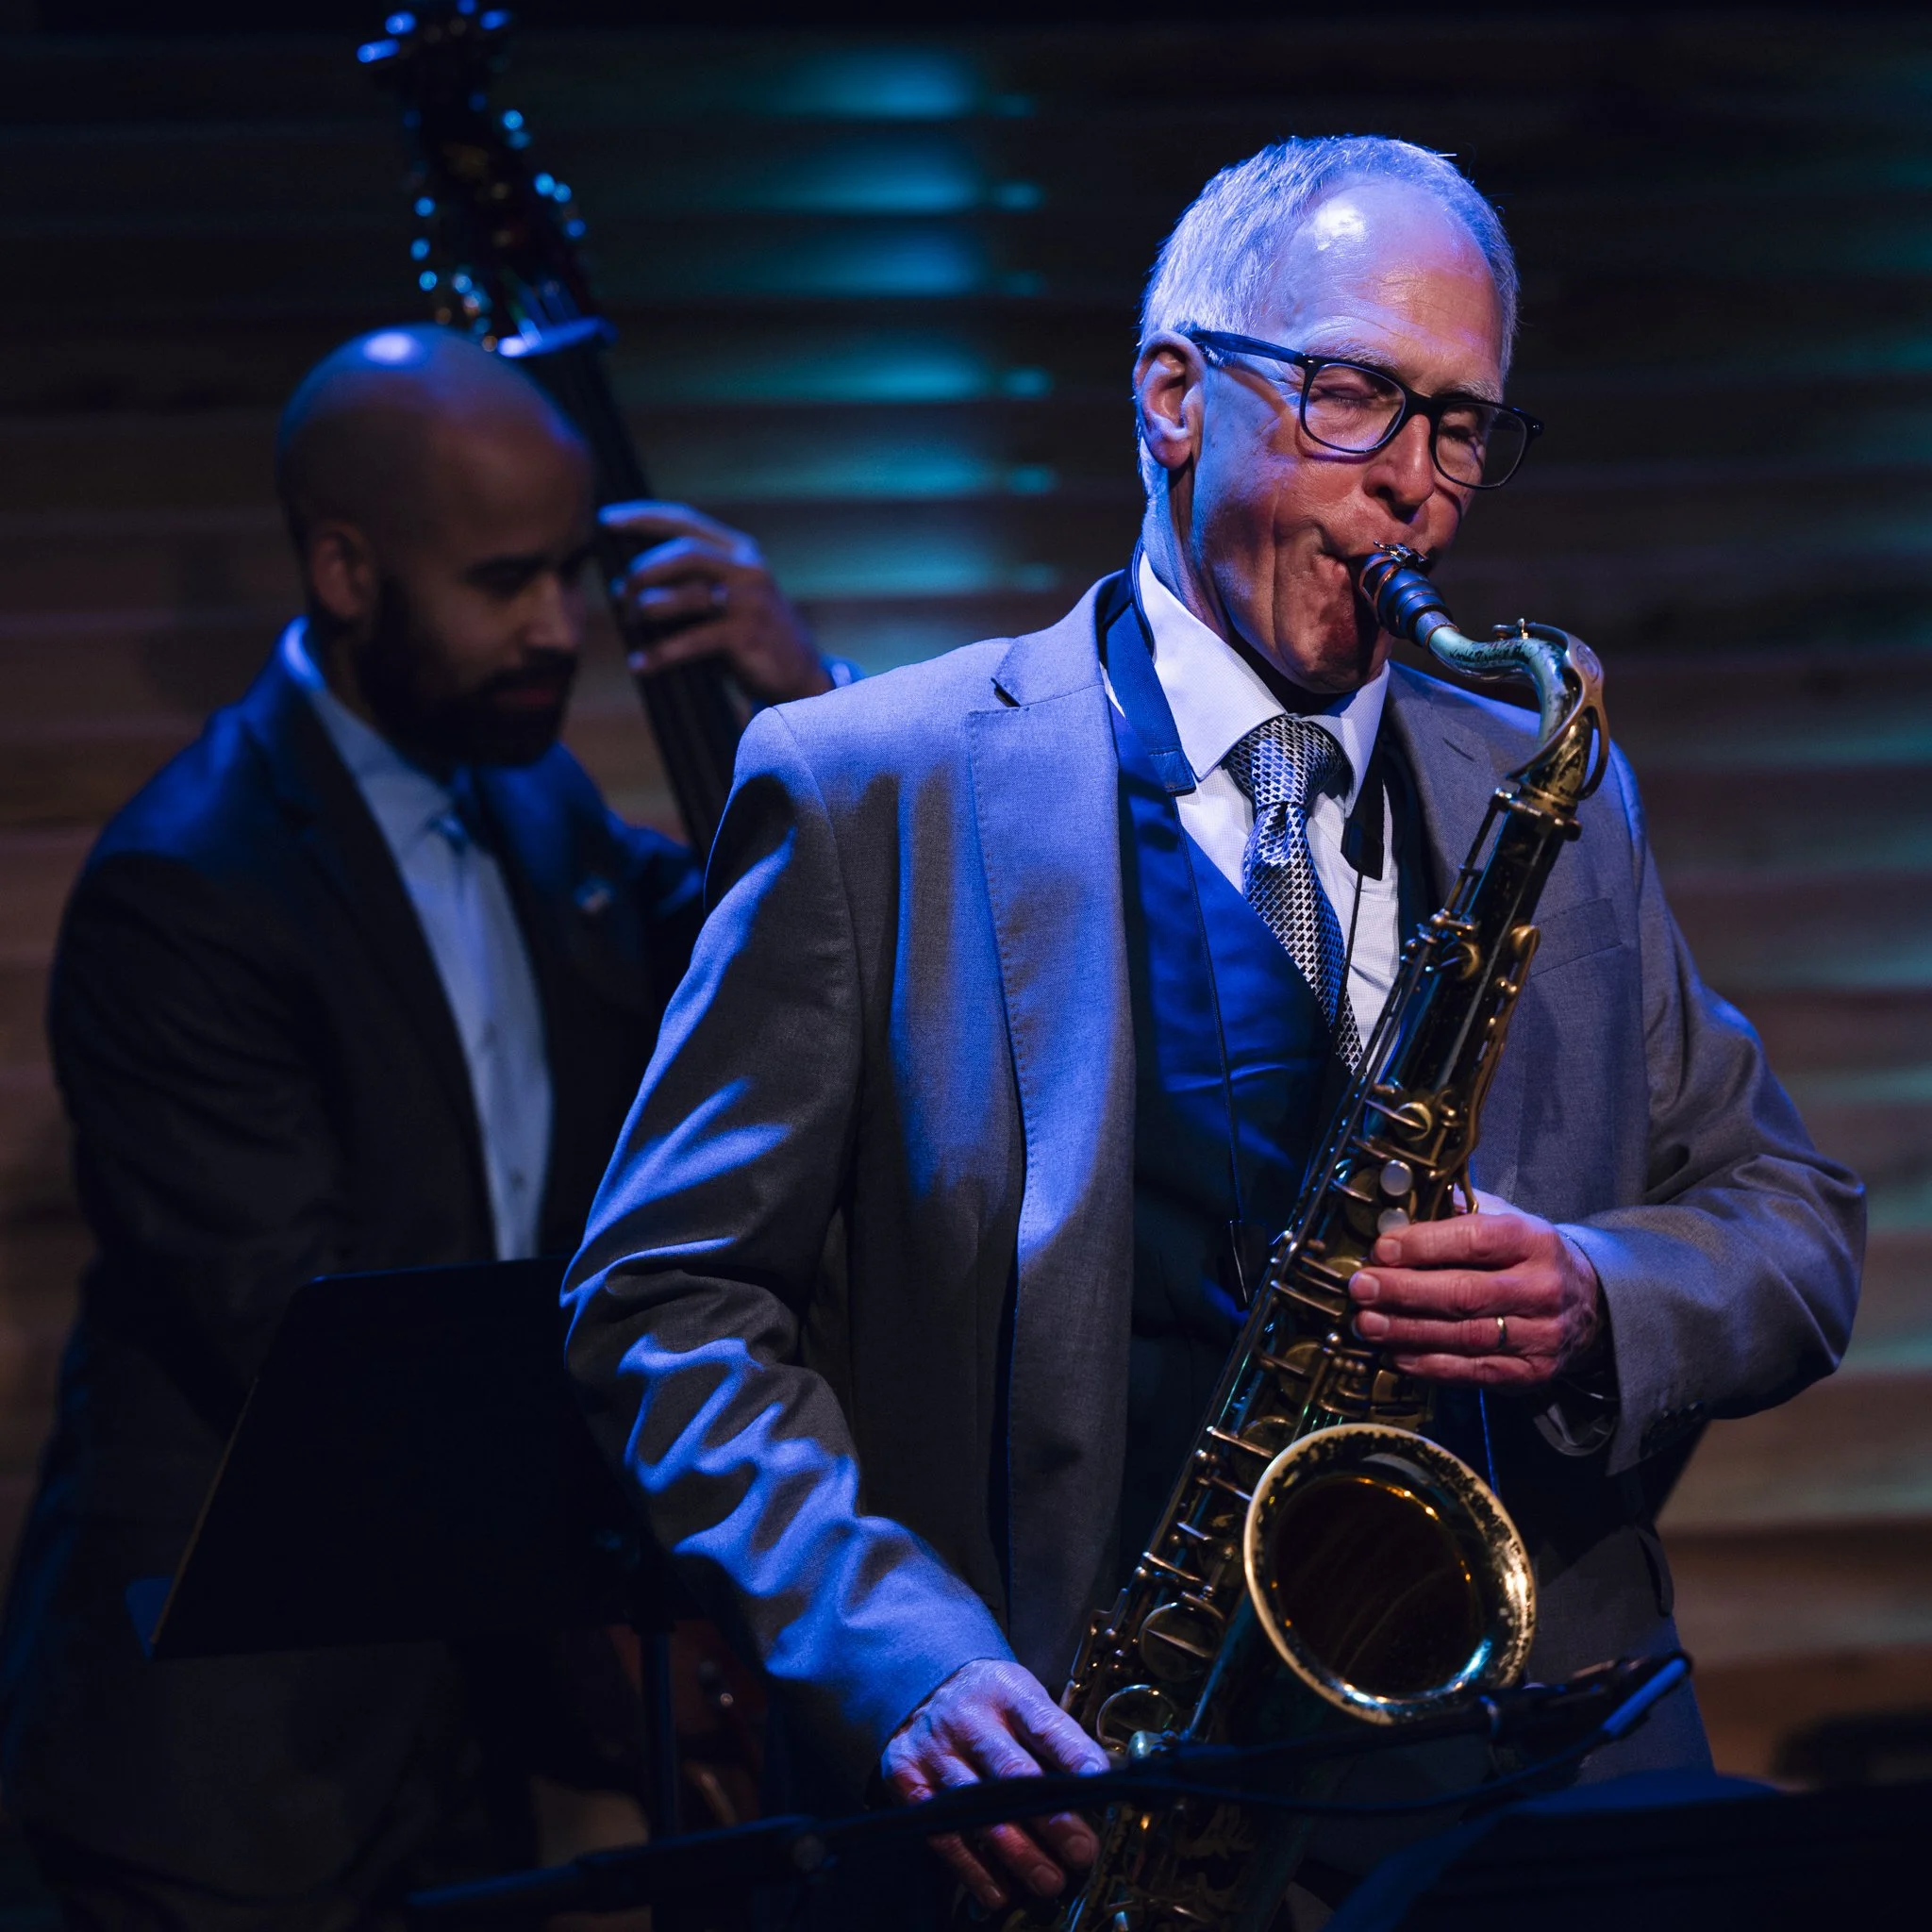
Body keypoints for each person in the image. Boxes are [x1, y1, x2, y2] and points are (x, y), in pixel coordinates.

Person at [559, 135, 1864, 1925]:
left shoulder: (1550, 782)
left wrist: (1593, 1295)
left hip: (1530, 1787)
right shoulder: (872, 789)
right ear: (1174, 398)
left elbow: (1795, 1223)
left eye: (1461, 426)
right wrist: (901, 1659)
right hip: (1095, 1803)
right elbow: (665, 1303)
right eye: (1355, 396)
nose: (1414, 485)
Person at [0, 325, 836, 1929]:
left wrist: (807, 702)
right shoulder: (184, 887)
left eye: (571, 574)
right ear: (344, 570)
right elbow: (300, 1331)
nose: (561, 628)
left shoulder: (531, 797)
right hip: (228, 1764)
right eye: (505, 583)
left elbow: (776, 956)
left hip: (457, 1738)